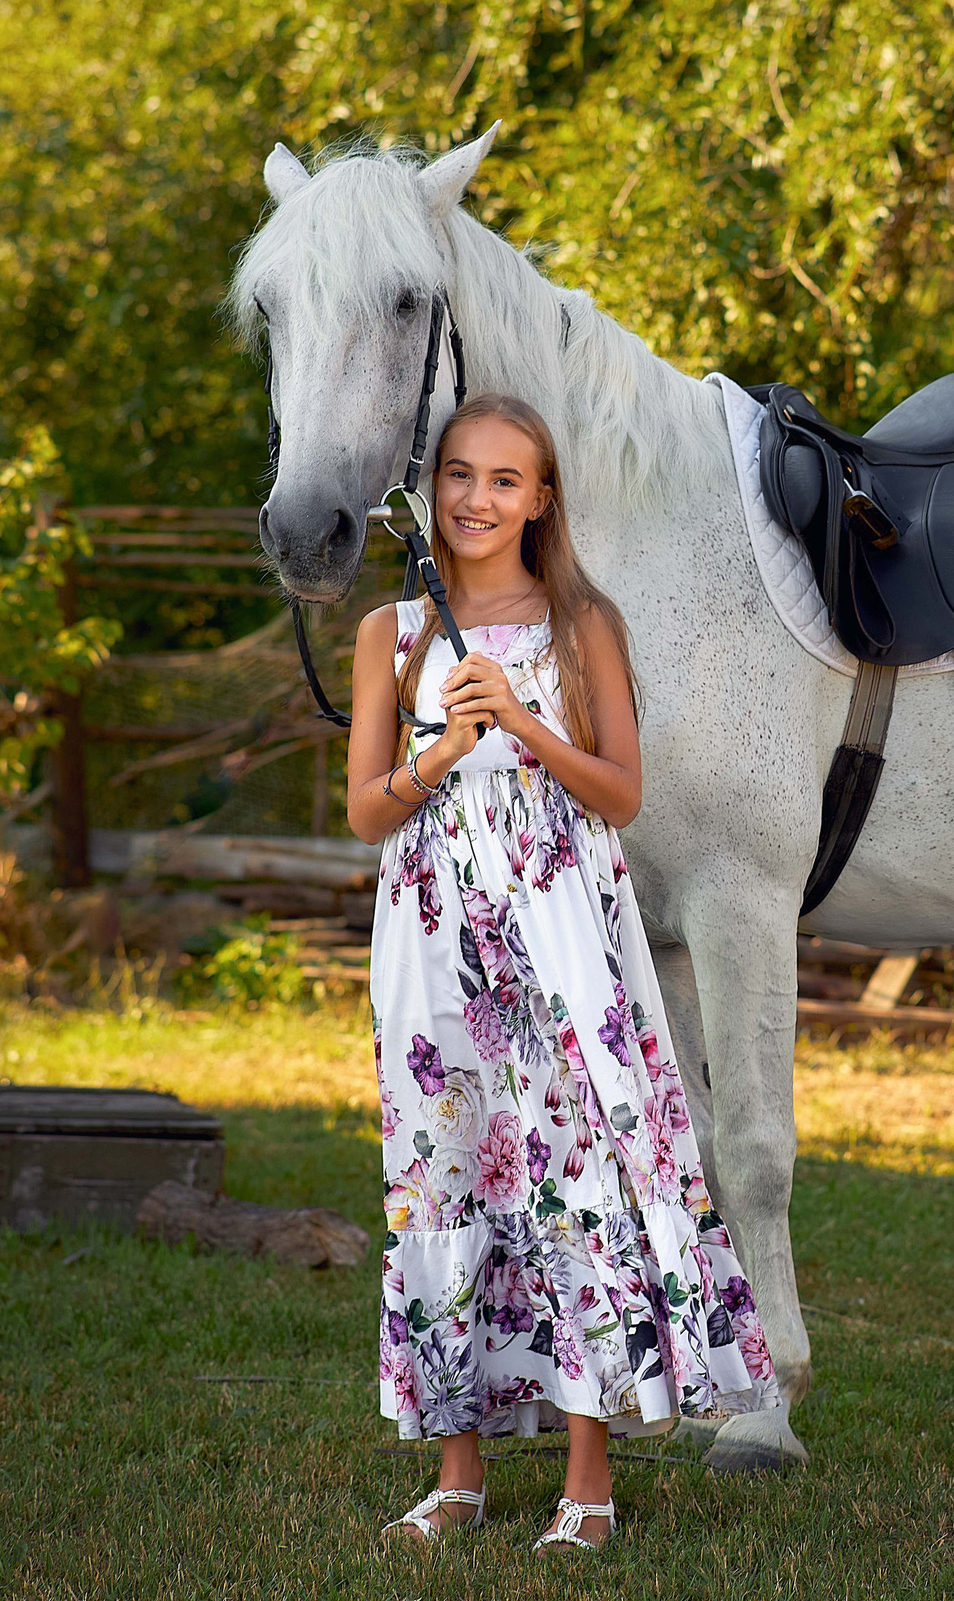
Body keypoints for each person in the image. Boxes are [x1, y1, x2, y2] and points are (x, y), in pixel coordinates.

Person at [345, 393, 778, 1556]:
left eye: (505, 480)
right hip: (431, 935)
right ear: (432, 488)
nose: (477, 499)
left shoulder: (581, 624)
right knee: (442, 1177)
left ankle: (588, 1482)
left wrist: (522, 726)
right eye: (459, 474)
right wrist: (442, 751)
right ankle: (457, 1476)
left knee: (571, 1173)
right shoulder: (393, 631)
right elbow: (365, 811)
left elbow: (621, 794)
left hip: (559, 926)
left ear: (541, 499)